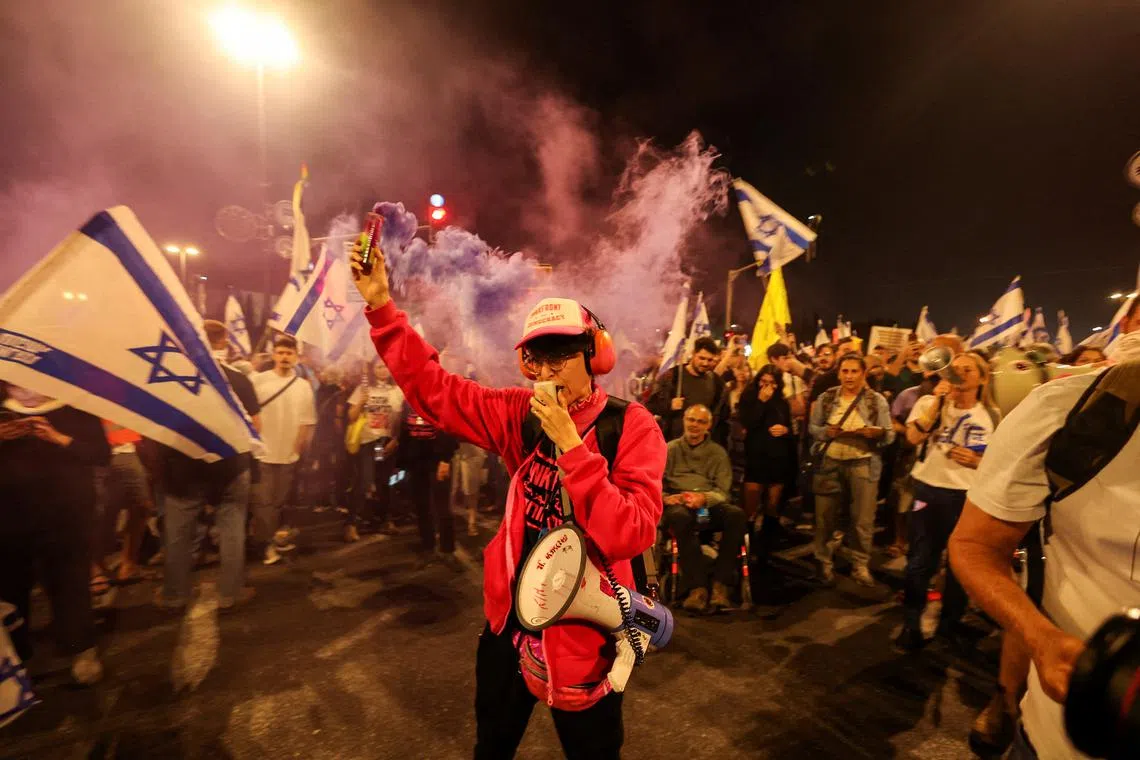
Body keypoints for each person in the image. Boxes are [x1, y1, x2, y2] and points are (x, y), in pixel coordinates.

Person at [351, 243, 666, 760]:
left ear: (594, 355)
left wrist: (572, 447)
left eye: (563, 353)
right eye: (537, 357)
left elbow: (630, 533)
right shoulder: (518, 412)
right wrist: (382, 307)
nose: (548, 369)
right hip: (509, 629)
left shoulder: (630, 425)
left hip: (585, 638)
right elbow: (436, 391)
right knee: (491, 747)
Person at [949, 361, 1140, 759]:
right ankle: (1004, 700)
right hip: (1060, 741)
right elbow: (975, 546)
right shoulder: (1079, 410)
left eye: (965, 370)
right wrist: (1041, 638)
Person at [0, 383, 110, 684]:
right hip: (9, 518)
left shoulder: (74, 402)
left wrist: (59, 438)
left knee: (70, 582)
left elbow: (100, 453)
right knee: (11, 588)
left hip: (66, 514)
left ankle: (80, 648)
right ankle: (17, 658)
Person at [895, 352, 997, 651]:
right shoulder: (930, 403)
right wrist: (938, 404)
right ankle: (911, 623)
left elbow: (997, 461)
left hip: (967, 498)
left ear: (982, 377)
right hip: (928, 491)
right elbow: (912, 438)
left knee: (959, 566)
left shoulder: (992, 415)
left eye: (968, 370)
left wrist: (978, 461)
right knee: (919, 561)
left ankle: (949, 625)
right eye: (956, 369)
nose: (960, 374)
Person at [157, 320, 261, 609]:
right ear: (224, 342)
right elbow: (256, 426)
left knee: (178, 532)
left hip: (183, 467)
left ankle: (175, 595)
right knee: (231, 528)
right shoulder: (238, 379)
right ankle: (231, 592)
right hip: (230, 467)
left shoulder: (174, 379)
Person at [808, 355, 894, 586]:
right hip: (830, 463)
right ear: (838, 374)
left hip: (863, 464)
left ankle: (860, 565)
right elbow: (812, 428)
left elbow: (890, 433)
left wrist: (875, 433)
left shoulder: (876, 402)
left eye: (854, 371)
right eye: (845, 371)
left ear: (863, 373)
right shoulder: (826, 399)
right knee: (825, 517)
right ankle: (823, 562)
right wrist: (827, 432)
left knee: (862, 520)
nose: (849, 376)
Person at [661, 404, 741, 614]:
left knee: (736, 516)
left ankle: (720, 584)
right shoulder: (669, 449)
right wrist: (667, 498)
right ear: (684, 421)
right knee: (679, 518)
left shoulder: (717, 453)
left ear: (709, 426)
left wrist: (704, 498)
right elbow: (654, 483)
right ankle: (697, 588)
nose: (695, 425)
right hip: (678, 503)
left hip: (706, 505)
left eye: (701, 422)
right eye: (691, 420)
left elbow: (723, 491)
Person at [251, 334, 316, 565]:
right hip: (262, 452)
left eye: (289, 353)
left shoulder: (303, 387)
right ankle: (266, 544)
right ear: (274, 355)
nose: (284, 357)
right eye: (280, 352)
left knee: (277, 501)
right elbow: (247, 414)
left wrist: (297, 451)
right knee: (264, 502)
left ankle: (267, 539)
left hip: (288, 455)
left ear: (297, 357)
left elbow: (307, 422)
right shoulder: (258, 380)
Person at [345, 359, 404, 542]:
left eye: (386, 365)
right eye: (379, 366)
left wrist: (395, 440)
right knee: (364, 481)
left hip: (385, 442)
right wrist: (360, 403)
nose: (383, 370)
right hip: (368, 441)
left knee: (385, 482)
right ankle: (351, 524)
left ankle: (385, 520)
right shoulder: (363, 389)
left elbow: (400, 418)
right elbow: (351, 417)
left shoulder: (397, 391)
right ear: (372, 369)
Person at [738, 365, 793, 556]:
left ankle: (766, 549)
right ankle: (746, 545)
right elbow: (748, 422)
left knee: (772, 505)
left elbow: (790, 428)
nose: (767, 386)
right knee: (750, 504)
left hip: (777, 458)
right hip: (756, 457)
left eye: (772, 383)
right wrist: (761, 402)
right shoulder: (749, 398)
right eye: (764, 381)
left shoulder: (782, 403)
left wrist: (785, 431)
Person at [397, 401, 460, 568]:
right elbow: (404, 432)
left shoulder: (440, 398)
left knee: (443, 507)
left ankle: (448, 550)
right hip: (416, 461)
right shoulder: (408, 402)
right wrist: (401, 462)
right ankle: (428, 547)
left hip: (437, 460)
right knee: (421, 506)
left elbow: (450, 428)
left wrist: (445, 459)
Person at [647, 336, 724, 441]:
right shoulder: (672, 376)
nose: (705, 363)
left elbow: (717, 414)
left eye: (709, 360)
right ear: (693, 354)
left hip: (701, 443)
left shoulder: (716, 382)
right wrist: (670, 405)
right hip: (673, 442)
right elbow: (651, 405)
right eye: (702, 358)